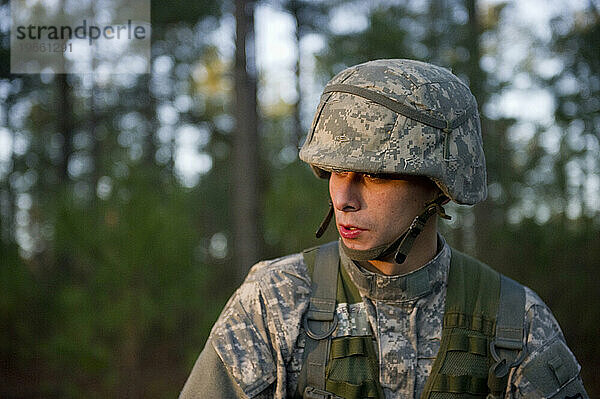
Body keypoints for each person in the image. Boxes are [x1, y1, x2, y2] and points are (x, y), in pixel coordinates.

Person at [180, 59, 588, 399]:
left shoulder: (514, 323)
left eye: (375, 176)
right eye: (337, 170)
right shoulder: (276, 302)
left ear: (440, 188)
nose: (344, 198)